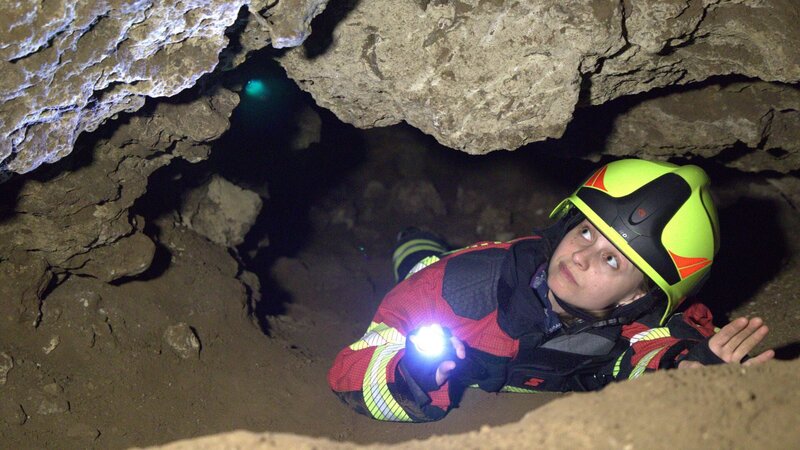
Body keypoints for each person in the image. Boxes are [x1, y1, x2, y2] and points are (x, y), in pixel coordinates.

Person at [328, 158, 774, 422]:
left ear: (635, 297)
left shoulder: (637, 321)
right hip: (441, 282)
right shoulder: (457, 291)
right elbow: (349, 371)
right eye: (585, 232)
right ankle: (414, 238)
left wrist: (695, 368)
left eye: (612, 258)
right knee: (418, 260)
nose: (581, 256)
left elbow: (659, 352)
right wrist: (412, 377)